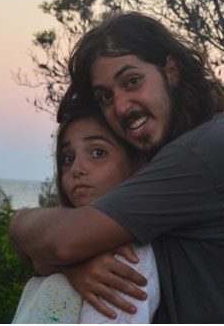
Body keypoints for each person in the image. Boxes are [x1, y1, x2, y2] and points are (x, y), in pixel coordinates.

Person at [9, 12, 224, 323]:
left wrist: (22, 225)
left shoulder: (201, 153)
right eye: (105, 96)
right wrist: (70, 264)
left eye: (132, 82)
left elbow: (62, 241)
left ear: (171, 71)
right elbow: (50, 251)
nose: (122, 106)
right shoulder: (204, 141)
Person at [12, 108, 160, 323]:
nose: (77, 168)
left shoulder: (127, 259)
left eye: (98, 152)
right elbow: (34, 255)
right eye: (68, 158)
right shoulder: (70, 245)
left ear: (135, 166)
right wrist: (69, 265)